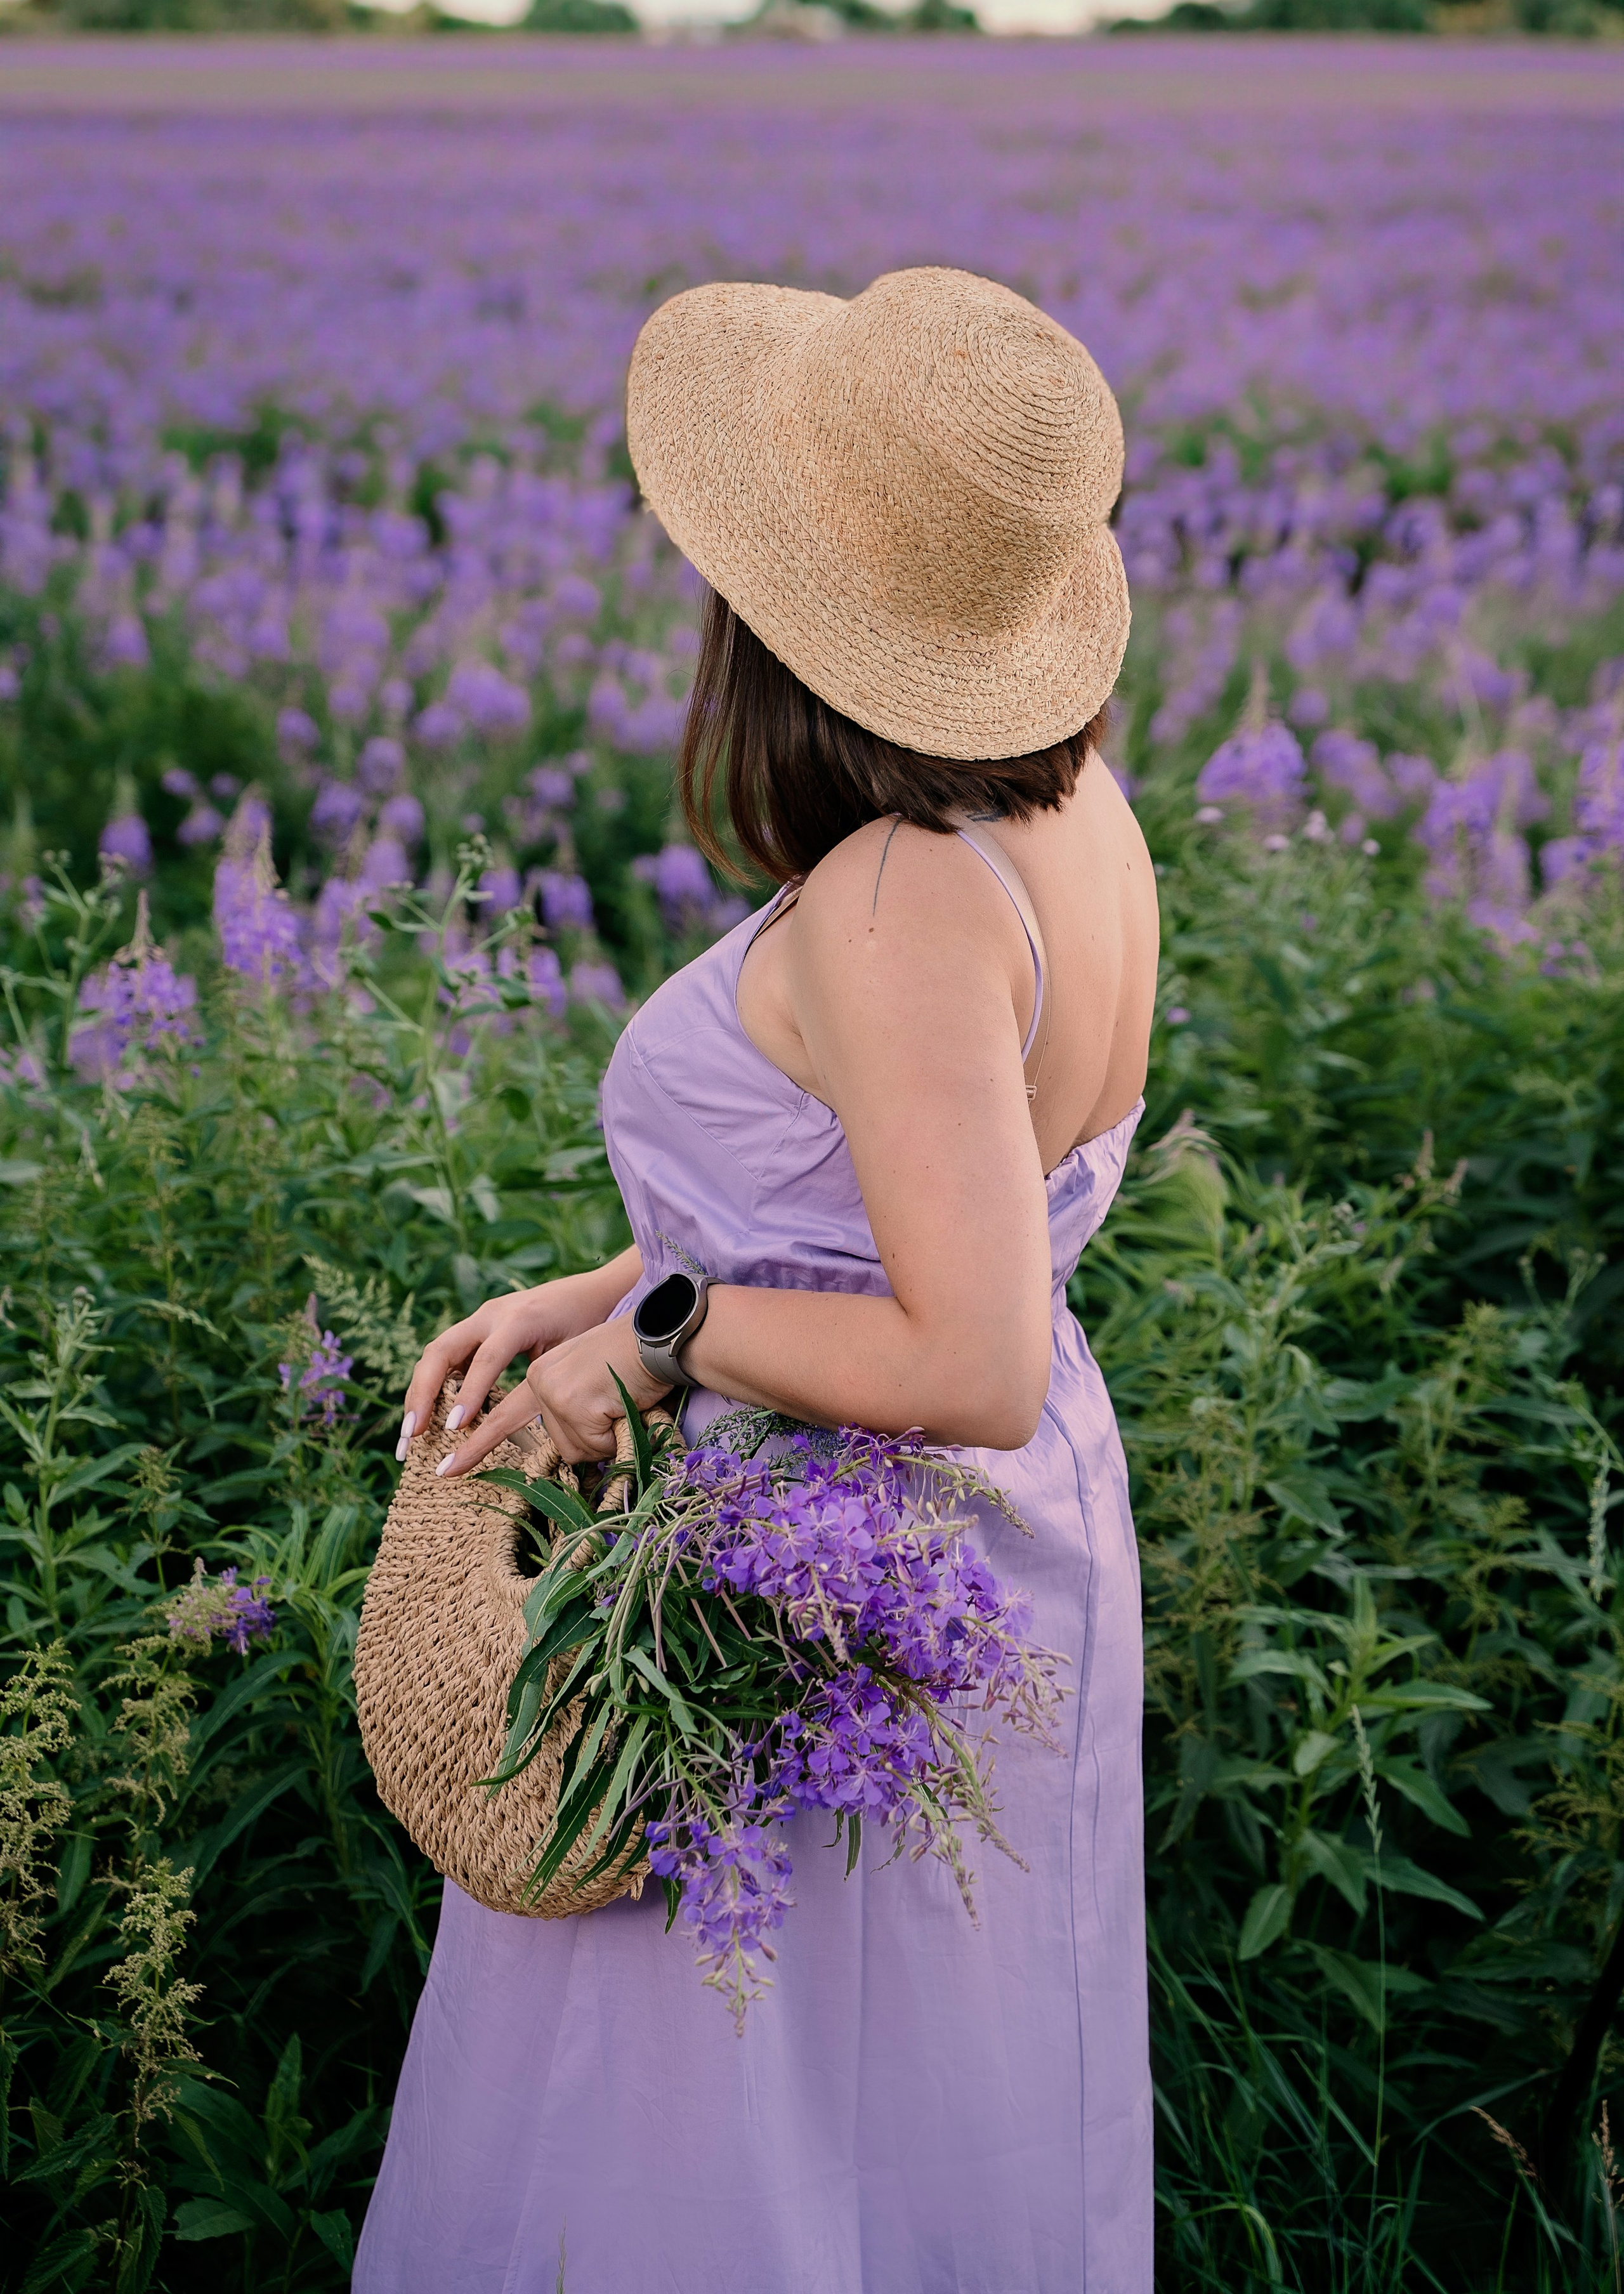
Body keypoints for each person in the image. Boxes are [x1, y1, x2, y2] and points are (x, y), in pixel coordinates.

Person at [355, 265, 1158, 2293]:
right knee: (927, 2105)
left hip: (820, 1566)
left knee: (725, 2128)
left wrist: (664, 1336)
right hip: (990, 1545)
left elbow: (957, 1350)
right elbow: (903, 1190)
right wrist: (607, 1280)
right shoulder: (1073, 821)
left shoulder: (899, 894)